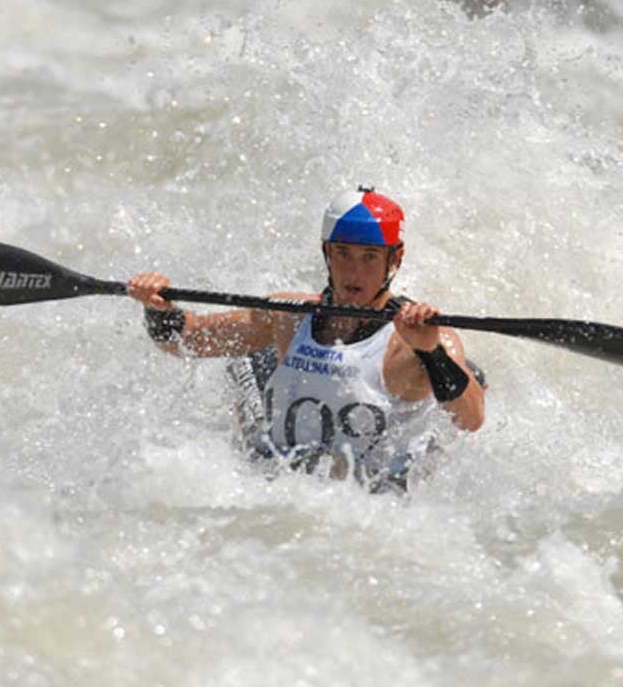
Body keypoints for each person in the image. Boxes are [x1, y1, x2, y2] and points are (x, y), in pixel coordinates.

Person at [128, 187, 486, 491]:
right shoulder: (287, 316)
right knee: (242, 363)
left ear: (395, 259)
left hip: (377, 489)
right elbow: (182, 340)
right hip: (289, 478)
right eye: (343, 254)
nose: (354, 272)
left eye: (369, 257)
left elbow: (471, 418)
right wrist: (159, 308)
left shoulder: (415, 338)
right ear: (327, 253)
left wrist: (431, 351)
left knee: (466, 377)